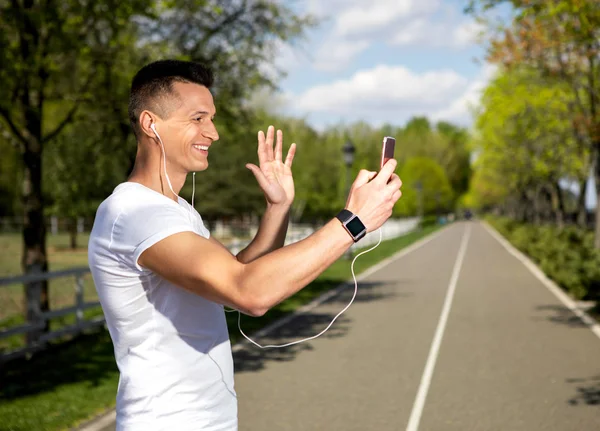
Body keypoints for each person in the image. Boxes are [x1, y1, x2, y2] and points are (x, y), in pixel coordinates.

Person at [88, 59, 403, 431]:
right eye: (198, 118)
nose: (214, 133)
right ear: (149, 123)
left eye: (212, 118)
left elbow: (237, 275)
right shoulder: (133, 212)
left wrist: (278, 207)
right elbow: (249, 293)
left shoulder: (176, 210)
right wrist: (353, 221)